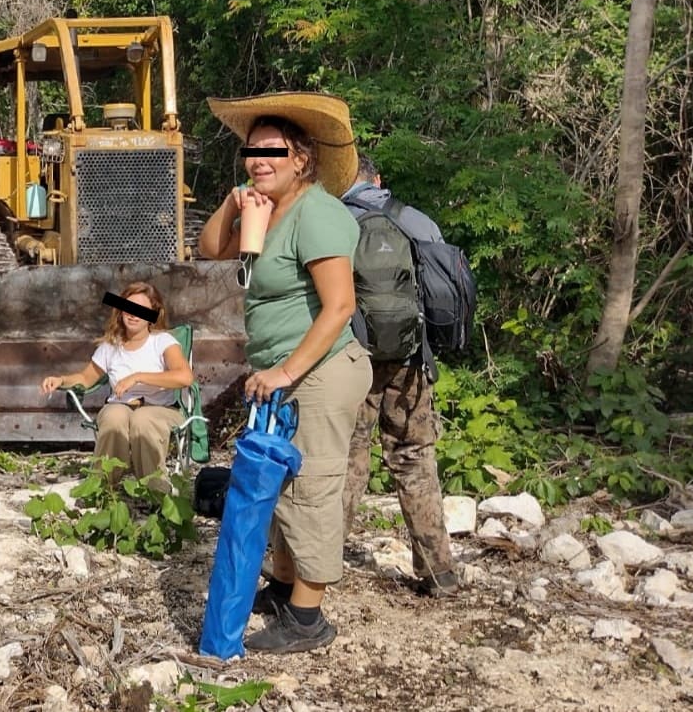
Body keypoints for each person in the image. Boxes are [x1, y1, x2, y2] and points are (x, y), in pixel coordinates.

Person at [198, 92, 373, 653]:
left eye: (272, 151)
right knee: (276, 485)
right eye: (252, 151)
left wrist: (284, 371)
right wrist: (233, 203)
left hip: (320, 371)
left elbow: (339, 306)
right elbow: (210, 249)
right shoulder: (266, 213)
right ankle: (282, 585)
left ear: (301, 158)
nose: (259, 161)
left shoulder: (318, 213)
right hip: (284, 373)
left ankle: (307, 618)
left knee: (311, 487)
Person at [340, 155, 460, 597]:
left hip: (352, 357)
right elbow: (441, 293)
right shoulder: (417, 221)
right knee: (414, 457)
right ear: (378, 180)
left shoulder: (334, 220)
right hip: (411, 360)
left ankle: (319, 565)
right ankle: (439, 572)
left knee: (346, 455)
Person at [39, 281, 195, 487]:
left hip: (160, 409)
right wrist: (61, 380)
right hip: (120, 406)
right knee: (114, 416)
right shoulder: (110, 346)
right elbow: (85, 378)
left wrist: (138, 376)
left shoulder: (162, 341)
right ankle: (102, 488)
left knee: (143, 419)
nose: (133, 315)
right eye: (128, 308)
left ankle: (156, 490)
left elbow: (184, 377)